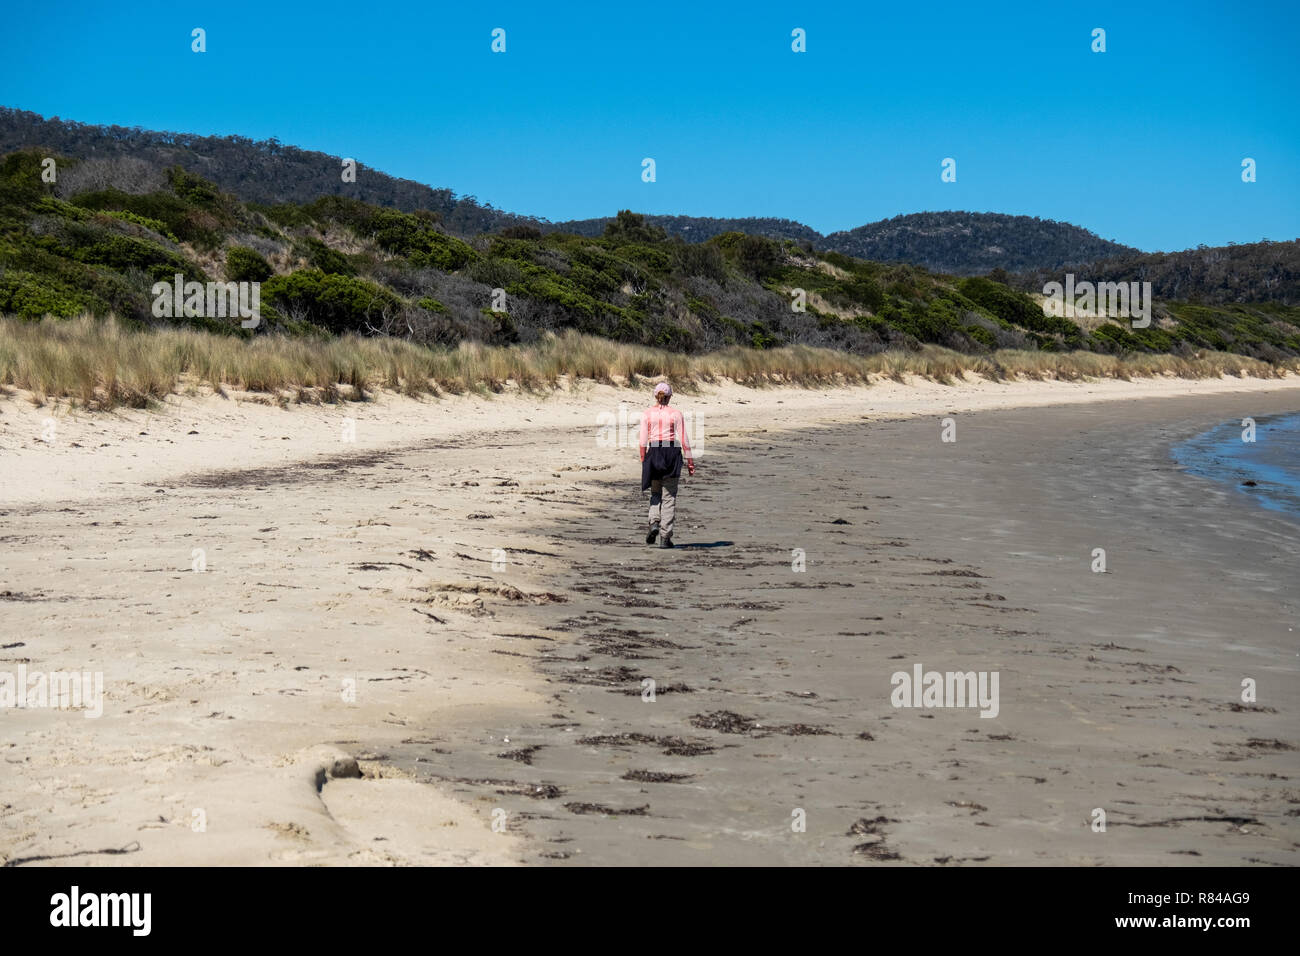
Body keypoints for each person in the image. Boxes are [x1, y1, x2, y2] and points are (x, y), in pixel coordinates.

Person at [639, 381, 695, 548]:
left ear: (656, 396)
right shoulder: (676, 413)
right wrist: (690, 461)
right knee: (669, 497)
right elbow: (684, 439)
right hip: (671, 453)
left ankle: (654, 522)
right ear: (669, 397)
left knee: (655, 492)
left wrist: (644, 460)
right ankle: (665, 537)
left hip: (654, 452)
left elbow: (643, 441)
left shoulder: (647, 414)